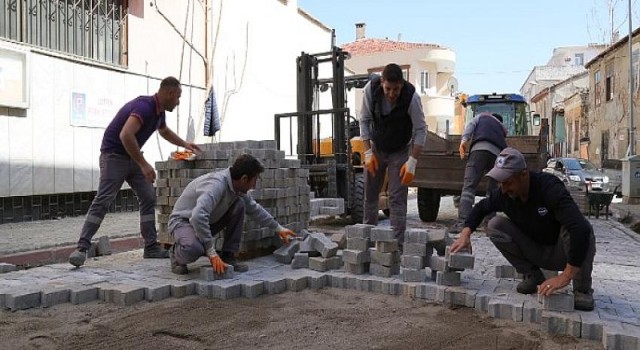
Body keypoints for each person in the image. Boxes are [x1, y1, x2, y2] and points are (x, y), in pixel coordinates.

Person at [68, 77, 202, 267]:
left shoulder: (159, 113)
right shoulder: (145, 107)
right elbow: (126, 135)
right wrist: (144, 164)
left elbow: (164, 131)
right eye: (178, 97)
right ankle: (81, 248)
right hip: (114, 156)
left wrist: (185, 144)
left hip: (132, 157)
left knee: (148, 197)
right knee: (103, 200)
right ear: (170, 93)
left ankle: (151, 247)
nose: (178, 102)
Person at [450, 147, 596, 311]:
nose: (503, 189)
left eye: (508, 182)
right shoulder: (505, 194)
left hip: (562, 252)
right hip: (536, 251)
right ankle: (533, 276)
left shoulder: (549, 187)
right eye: (501, 183)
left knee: (582, 228)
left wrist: (565, 276)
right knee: (494, 225)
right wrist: (465, 233)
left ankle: (582, 289)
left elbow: (580, 229)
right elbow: (481, 207)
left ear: (524, 174)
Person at [167, 154, 297, 275]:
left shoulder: (237, 189)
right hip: (183, 222)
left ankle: (228, 255)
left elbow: (255, 209)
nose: (254, 185)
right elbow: (197, 216)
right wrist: (211, 252)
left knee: (240, 204)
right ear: (244, 178)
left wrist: (278, 229)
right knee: (194, 248)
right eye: (254, 180)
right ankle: (176, 255)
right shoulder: (216, 185)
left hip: (206, 221)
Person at [359, 63, 427, 248]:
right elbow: (364, 120)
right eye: (388, 88)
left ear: (402, 85)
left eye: (396, 89)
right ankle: (367, 242)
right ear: (382, 83)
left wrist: (412, 161)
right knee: (370, 195)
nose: (391, 94)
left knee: (397, 197)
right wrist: (367, 153)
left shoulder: (411, 97)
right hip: (377, 149)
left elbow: (421, 130)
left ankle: (397, 246)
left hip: (399, 150)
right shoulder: (370, 90)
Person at [449, 112, 507, 233]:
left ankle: (463, 223)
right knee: (493, 191)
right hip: (497, 155)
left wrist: (464, 141)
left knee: (469, 188)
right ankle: (490, 225)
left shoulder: (482, 116)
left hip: (479, 150)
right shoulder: (502, 128)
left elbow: (470, 126)